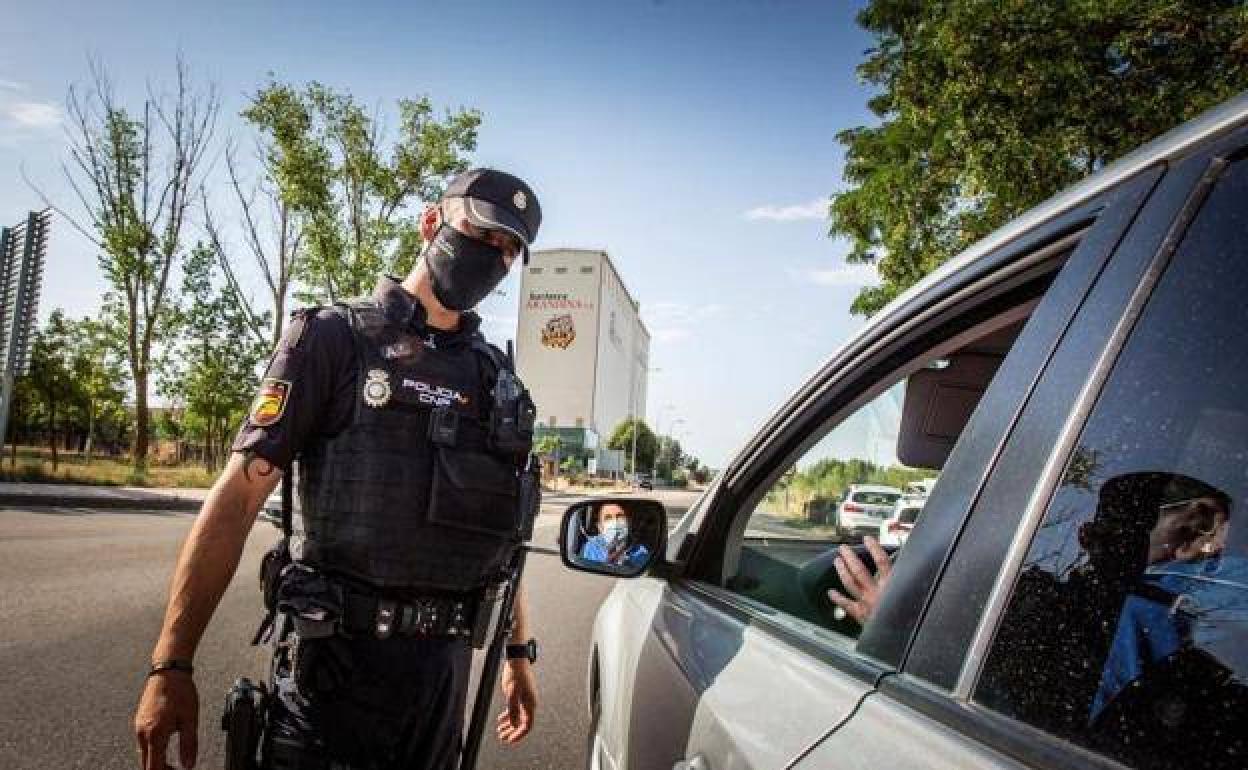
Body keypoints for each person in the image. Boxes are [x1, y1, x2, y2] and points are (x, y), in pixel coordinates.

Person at [134, 168, 544, 770]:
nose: (494, 256)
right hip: (333, 682)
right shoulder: (331, 339)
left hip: (441, 688)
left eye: (508, 249)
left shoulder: (494, 380)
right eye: (481, 234)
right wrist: (171, 663)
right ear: (432, 222)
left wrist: (517, 656)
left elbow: (499, 537)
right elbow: (235, 502)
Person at [579, 503, 651, 569]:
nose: (615, 522)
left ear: (628, 522)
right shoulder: (590, 547)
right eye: (608, 518)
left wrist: (626, 562)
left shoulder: (640, 552)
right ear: (600, 527)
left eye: (619, 516)